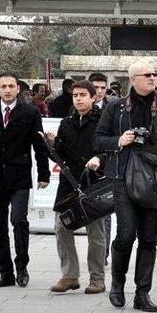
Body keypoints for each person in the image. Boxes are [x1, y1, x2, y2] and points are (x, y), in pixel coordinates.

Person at [94, 60, 157, 312]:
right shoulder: (116, 108)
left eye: (155, 74)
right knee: (125, 235)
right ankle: (117, 285)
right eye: (147, 75)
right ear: (133, 79)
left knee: (148, 238)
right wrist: (119, 140)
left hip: (155, 182)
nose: (153, 78)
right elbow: (98, 140)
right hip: (123, 178)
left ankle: (143, 293)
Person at [0, 72, 50, 288]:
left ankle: (21, 266)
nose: (7, 90)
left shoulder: (30, 112)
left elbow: (39, 144)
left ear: (18, 89)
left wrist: (44, 174)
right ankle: (5, 273)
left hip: (20, 175)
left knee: (18, 220)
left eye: (11, 86)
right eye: (3, 86)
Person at [45, 81, 106, 294]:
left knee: (95, 232)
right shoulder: (67, 123)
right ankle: (70, 275)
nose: (78, 98)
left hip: (94, 183)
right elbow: (60, 154)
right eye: (75, 95)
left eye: (82, 95)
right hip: (67, 183)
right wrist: (53, 144)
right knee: (61, 227)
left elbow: (112, 149)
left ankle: (97, 279)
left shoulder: (104, 121)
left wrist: (99, 158)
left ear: (93, 97)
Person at [88, 72, 114, 265]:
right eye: (96, 88)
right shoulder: (78, 107)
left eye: (102, 88)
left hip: (106, 164)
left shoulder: (112, 107)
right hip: (85, 166)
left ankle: (102, 254)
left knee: (105, 211)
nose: (99, 91)